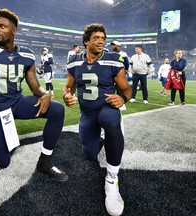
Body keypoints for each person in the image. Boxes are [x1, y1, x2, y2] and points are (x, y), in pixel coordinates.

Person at [0, 8, 68, 190]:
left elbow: (35, 86)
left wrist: (43, 94)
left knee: (57, 110)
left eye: (2, 26)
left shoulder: (26, 54)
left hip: (18, 102)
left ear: (14, 30)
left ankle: (45, 161)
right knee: (3, 161)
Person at [63, 23, 132, 216]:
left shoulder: (113, 60)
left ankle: (112, 179)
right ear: (86, 42)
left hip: (106, 107)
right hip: (87, 113)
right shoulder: (75, 62)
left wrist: (123, 98)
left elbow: (126, 89)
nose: (101, 41)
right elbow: (68, 87)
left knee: (111, 122)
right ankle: (102, 139)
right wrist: (67, 95)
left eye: (103, 38)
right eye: (96, 38)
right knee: (89, 154)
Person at [110, 40, 129, 111]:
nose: (112, 46)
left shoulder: (123, 54)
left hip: (119, 73)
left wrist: (125, 71)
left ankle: (122, 104)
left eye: (114, 45)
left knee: (120, 88)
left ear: (118, 46)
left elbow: (126, 63)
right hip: (113, 73)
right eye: (112, 45)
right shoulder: (112, 54)